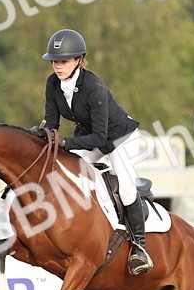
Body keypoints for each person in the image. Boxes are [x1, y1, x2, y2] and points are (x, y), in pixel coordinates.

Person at [39, 28, 152, 275]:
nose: (58, 66)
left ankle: (139, 248)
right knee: (67, 171)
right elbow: (52, 123)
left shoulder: (93, 87)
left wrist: (65, 144)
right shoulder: (53, 84)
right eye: (55, 61)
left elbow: (101, 137)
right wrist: (41, 136)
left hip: (121, 138)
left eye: (64, 61)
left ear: (79, 60)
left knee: (125, 187)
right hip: (92, 140)